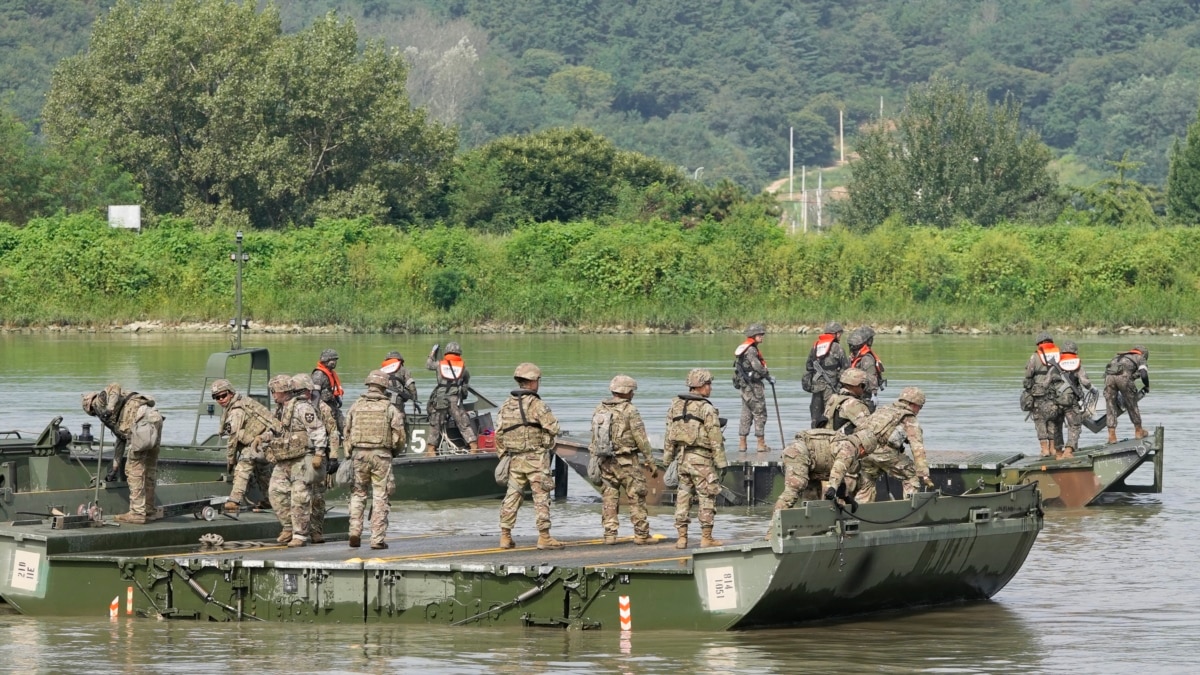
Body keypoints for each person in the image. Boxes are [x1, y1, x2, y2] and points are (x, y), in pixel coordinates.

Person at [495, 362, 562, 550]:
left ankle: (505, 536)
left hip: (515, 458)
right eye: (537, 380)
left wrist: (503, 456)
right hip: (536, 459)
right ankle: (544, 537)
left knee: (512, 496)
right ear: (532, 382)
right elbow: (554, 427)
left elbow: (498, 433)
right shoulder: (537, 405)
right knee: (541, 497)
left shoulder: (506, 405)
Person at [663, 368, 728, 549]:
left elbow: (669, 434)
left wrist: (667, 459)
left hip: (682, 460)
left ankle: (681, 538)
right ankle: (706, 537)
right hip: (701, 460)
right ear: (700, 386)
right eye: (708, 384)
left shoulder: (675, 405)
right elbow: (715, 438)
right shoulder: (706, 408)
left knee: (683, 497)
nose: (710, 388)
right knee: (707, 497)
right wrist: (722, 463)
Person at [81, 383, 164, 524]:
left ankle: (137, 513)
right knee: (149, 468)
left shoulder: (99, 401)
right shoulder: (115, 415)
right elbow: (121, 438)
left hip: (141, 421)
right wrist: (115, 464)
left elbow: (114, 387)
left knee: (133, 469)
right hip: (154, 419)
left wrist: (109, 408)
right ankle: (149, 511)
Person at [592, 375, 659, 545]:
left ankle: (610, 534)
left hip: (605, 461)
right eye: (632, 391)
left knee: (609, 497)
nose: (633, 395)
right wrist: (650, 461)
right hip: (627, 461)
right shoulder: (630, 410)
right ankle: (641, 534)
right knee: (636, 496)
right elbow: (641, 438)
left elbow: (594, 437)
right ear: (627, 392)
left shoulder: (600, 408)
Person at [344, 370, 406, 550]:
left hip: (359, 455)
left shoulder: (356, 406)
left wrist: (350, 452)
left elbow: (346, 431)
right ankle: (377, 539)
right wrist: (394, 451)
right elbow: (399, 436)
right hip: (381, 456)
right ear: (384, 387)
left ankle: (354, 531)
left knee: (358, 494)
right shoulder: (390, 408)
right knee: (380, 496)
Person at [265, 373, 327, 547]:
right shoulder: (281, 409)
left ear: (284, 391)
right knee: (275, 492)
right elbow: (277, 430)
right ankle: (288, 526)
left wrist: (319, 453)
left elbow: (318, 429)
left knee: (300, 497)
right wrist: (262, 438)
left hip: (301, 459)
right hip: (284, 459)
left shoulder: (302, 408)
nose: (273, 394)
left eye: (274, 391)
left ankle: (300, 534)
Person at [848, 386, 934, 503]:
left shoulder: (883, 409)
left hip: (864, 453)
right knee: (911, 476)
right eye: (920, 407)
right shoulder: (908, 418)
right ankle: (910, 509)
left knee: (867, 484)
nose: (919, 410)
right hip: (884, 454)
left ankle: (860, 513)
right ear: (914, 404)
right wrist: (924, 474)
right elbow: (917, 448)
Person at [213, 378, 279, 513]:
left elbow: (233, 437)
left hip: (262, 442)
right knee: (263, 472)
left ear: (231, 393)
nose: (221, 399)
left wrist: (230, 460)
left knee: (243, 465)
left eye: (223, 395)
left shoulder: (236, 410)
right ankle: (272, 500)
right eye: (217, 397)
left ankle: (234, 500)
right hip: (267, 441)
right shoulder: (243, 402)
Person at [292, 373, 341, 544]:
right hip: (299, 456)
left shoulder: (322, 408)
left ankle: (316, 531)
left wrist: (334, 456)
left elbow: (333, 432)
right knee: (299, 495)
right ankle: (298, 531)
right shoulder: (292, 407)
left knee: (318, 497)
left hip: (319, 456)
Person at [425, 341, 478, 453]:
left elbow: (428, 365)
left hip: (440, 399)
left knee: (435, 425)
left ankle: (431, 451)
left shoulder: (440, 364)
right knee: (464, 424)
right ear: (459, 353)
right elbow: (465, 384)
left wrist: (432, 353)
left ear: (446, 353)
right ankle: (474, 448)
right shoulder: (463, 368)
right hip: (455, 400)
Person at [1045, 341, 1095, 459]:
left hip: (1055, 402)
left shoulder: (1054, 367)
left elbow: (1045, 384)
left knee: (1057, 426)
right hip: (1071, 402)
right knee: (1074, 425)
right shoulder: (1077, 366)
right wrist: (1092, 389)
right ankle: (1068, 451)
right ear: (1075, 352)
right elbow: (1085, 382)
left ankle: (1058, 453)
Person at [733, 323, 774, 453]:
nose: (762, 337)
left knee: (745, 414)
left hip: (745, 387)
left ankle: (742, 444)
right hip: (754, 386)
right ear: (753, 335)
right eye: (760, 334)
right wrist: (768, 376)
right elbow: (757, 366)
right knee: (760, 413)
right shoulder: (751, 350)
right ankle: (761, 445)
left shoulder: (744, 348)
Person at [804, 321, 850, 428]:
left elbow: (808, 366)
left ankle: (813, 436)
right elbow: (846, 368)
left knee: (815, 414)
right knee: (830, 414)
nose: (840, 336)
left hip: (816, 386)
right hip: (831, 387)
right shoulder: (838, 348)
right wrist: (839, 385)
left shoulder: (815, 347)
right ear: (835, 334)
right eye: (839, 334)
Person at [1023, 332, 1061, 457]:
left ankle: (1044, 450)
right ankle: (1053, 449)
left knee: (1040, 420)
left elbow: (1028, 375)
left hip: (1039, 394)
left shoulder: (1035, 356)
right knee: (1052, 420)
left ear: (1039, 343)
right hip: (1054, 393)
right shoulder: (1058, 355)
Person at [1104, 344, 1151, 443]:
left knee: (1110, 405)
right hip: (1124, 379)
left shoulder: (1117, 357)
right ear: (1144, 354)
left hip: (1108, 379)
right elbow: (1143, 374)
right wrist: (1147, 385)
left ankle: (1112, 436)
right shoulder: (1140, 358)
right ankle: (1139, 431)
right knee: (1132, 404)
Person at [822, 367, 873, 435]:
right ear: (854, 386)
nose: (863, 389)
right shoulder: (853, 404)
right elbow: (869, 429)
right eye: (862, 385)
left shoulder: (833, 398)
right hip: (844, 442)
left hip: (830, 440)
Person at [847, 326, 885, 406]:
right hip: (865, 395)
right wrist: (874, 394)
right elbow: (872, 376)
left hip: (855, 392)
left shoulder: (853, 357)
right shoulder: (867, 358)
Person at [311, 348, 345, 434]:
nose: (335, 362)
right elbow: (315, 394)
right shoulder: (319, 374)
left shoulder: (331, 373)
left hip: (332, 404)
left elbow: (332, 388)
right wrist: (316, 410)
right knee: (332, 430)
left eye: (335, 360)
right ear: (326, 360)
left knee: (345, 426)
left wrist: (337, 398)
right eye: (333, 360)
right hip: (323, 405)